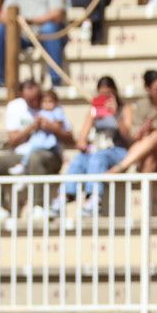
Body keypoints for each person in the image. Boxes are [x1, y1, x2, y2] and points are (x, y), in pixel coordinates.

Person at [0, 80, 73, 219]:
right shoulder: (15, 107)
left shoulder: (52, 105)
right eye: (30, 100)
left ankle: (38, 206)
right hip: (21, 155)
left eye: (37, 98)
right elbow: (13, 141)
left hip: (50, 154)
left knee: (36, 157)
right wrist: (31, 128)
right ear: (22, 96)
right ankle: (4, 208)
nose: (35, 103)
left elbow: (70, 138)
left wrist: (52, 128)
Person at [58, 75, 128, 216]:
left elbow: (128, 137)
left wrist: (115, 116)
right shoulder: (93, 110)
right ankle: (66, 195)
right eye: (101, 94)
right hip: (98, 150)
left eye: (108, 93)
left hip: (118, 151)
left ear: (115, 92)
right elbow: (81, 139)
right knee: (79, 159)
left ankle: (94, 197)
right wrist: (83, 144)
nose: (105, 97)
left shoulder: (124, 109)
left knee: (98, 157)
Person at [109, 70, 157, 174]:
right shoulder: (141, 105)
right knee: (150, 158)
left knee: (156, 136)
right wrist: (143, 130)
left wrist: (154, 127)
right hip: (148, 153)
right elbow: (134, 136)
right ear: (147, 89)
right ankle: (145, 190)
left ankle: (120, 167)